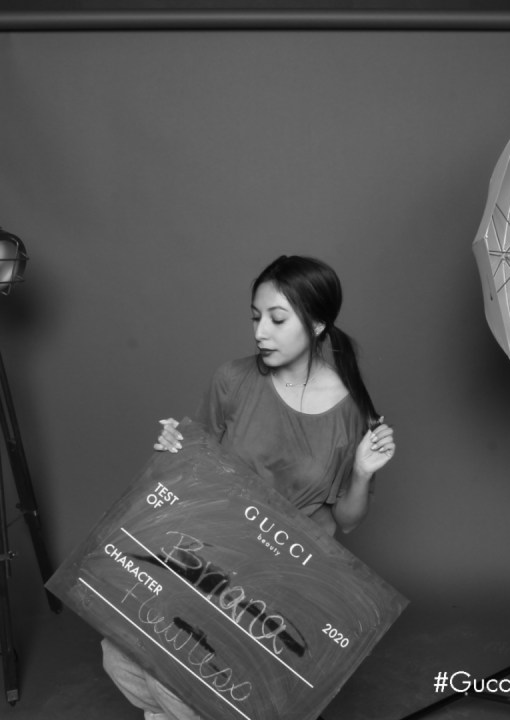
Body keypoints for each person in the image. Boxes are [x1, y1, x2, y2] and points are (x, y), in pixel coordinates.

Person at [102, 255, 395, 720]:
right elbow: (194, 468)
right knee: (119, 653)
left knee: (181, 681)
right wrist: (174, 446)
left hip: (284, 580)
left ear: (317, 324)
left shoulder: (351, 410)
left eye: (277, 319)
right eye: (256, 318)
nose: (260, 332)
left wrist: (361, 471)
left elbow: (348, 521)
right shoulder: (233, 379)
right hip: (212, 554)